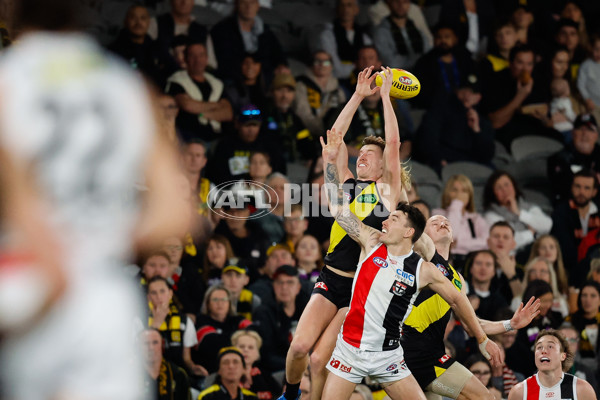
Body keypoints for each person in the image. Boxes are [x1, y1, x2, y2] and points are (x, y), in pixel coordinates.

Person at [0, 1, 192, 398]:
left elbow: (17, 197)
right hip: (105, 295)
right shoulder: (126, 84)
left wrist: (57, 258)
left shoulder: (8, 81)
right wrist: (100, 244)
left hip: (29, 280)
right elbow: (175, 210)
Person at [318, 129, 503, 400]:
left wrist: (482, 338)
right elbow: (336, 205)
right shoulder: (369, 242)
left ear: (408, 232)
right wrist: (329, 162)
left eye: (392, 219)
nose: (383, 220)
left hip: (389, 355)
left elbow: (458, 299)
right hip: (351, 350)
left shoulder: (422, 269)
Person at [280, 67, 408, 400]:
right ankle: (289, 394)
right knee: (299, 349)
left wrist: (384, 98)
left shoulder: (387, 191)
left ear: (382, 167)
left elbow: (392, 143)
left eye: (370, 155)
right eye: (360, 153)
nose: (362, 155)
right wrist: (357, 95)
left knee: (321, 359)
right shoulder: (346, 184)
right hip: (331, 277)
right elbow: (334, 139)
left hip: (358, 288)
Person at [407, 213, 540, 400]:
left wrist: (511, 324)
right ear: (423, 234)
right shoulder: (416, 263)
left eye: (447, 222)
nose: (442, 223)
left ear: (453, 238)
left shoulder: (457, 278)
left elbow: (472, 323)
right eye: (434, 222)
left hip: (432, 356)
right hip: (407, 353)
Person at [166, 42, 233, 143]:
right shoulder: (177, 81)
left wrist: (201, 114)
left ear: (206, 58)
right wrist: (217, 106)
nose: (197, 60)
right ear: (185, 59)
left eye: (201, 55)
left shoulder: (216, 83)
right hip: (189, 139)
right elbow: (187, 105)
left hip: (217, 138)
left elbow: (228, 113)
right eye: (193, 56)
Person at [210, 0, 287, 83]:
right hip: (234, 82)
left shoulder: (265, 30)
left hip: (264, 81)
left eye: (252, 3)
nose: (248, 7)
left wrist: (281, 66)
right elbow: (224, 63)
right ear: (237, 5)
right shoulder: (222, 30)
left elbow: (278, 54)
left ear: (258, 5)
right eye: (244, 3)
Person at [508, 329, 596, 399]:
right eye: (539, 347)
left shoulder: (582, 389)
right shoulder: (519, 392)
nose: (544, 351)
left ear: (563, 356)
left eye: (550, 346)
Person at [483, 170, 553, 257]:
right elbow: (508, 242)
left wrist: (519, 213)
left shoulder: (528, 207)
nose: (504, 190)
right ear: (493, 193)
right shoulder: (491, 216)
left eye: (507, 184)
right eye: (499, 188)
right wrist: (531, 234)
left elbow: (547, 225)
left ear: (514, 186)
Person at [253, 265, 308, 372]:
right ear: (273, 286)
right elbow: (266, 355)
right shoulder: (263, 312)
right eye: (279, 282)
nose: (284, 287)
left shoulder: (307, 309)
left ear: (298, 288)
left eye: (290, 282)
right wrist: (297, 365)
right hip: (276, 370)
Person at [551, 169, 600, 286]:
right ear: (572, 187)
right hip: (568, 271)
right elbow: (564, 248)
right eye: (577, 186)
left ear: (594, 192)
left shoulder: (599, 211)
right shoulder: (560, 212)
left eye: (587, 188)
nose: (581, 192)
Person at [431, 175, 489, 269]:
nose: (459, 195)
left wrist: (459, 244)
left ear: (469, 195)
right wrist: (456, 206)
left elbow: (486, 242)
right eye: (455, 190)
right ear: (447, 193)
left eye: (464, 191)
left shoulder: (476, 219)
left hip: (470, 265)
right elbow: (451, 236)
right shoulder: (437, 214)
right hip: (445, 263)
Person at [547, 113, 600, 204]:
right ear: (573, 133)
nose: (584, 134)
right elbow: (565, 189)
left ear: (596, 135)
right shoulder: (558, 159)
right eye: (580, 129)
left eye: (590, 129)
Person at [294, 50, 347, 138]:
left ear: (331, 66)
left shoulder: (337, 90)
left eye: (326, 62)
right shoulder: (301, 86)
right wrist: (323, 131)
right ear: (311, 65)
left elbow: (345, 114)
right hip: (309, 135)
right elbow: (302, 113)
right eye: (317, 61)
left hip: (335, 136)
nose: (322, 65)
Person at [315, 0, 373, 79]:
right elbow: (335, 70)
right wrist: (358, 67)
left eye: (349, 5)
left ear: (356, 9)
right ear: (337, 9)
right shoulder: (327, 35)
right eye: (342, 5)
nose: (345, 9)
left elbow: (371, 67)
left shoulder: (364, 37)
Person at [372, 0, 433, 69]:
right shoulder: (381, 31)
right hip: (396, 76)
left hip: (422, 72)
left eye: (405, 2)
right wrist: (419, 60)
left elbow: (428, 52)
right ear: (389, 3)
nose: (401, 6)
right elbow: (390, 62)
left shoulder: (416, 26)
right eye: (397, 2)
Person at [141, 328, 192, 400]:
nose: (151, 348)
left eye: (155, 342)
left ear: (162, 345)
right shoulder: (129, 375)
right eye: (146, 343)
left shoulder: (178, 374)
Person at [232, 329, 281, 399]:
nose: (246, 350)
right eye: (241, 346)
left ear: (257, 354)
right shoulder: (227, 375)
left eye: (250, 347)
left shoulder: (264, 375)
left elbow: (279, 395)